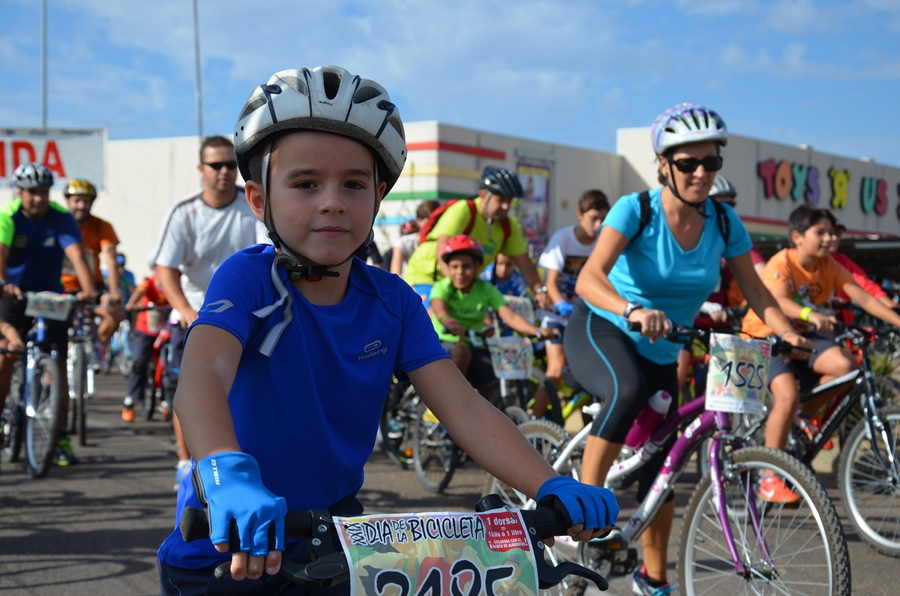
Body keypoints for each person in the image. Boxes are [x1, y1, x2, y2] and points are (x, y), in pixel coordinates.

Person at [156, 65, 618, 596]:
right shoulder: (249, 277)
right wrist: (224, 472)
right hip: (225, 548)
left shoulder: (394, 302)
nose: (332, 201)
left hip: (337, 544)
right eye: (305, 183)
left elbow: (465, 408)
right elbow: (203, 372)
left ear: (377, 198)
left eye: (354, 185)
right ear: (259, 200)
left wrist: (548, 483)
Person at [566, 103, 810, 596]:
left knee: (663, 468)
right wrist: (632, 309)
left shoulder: (723, 222)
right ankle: (581, 514)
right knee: (626, 390)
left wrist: (786, 329)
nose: (701, 173)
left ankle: (653, 579)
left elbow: (758, 292)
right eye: (687, 163)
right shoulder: (637, 210)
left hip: (665, 345)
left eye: (711, 162)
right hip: (603, 326)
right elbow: (589, 279)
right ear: (664, 166)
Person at [742, 204, 900, 502]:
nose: (829, 238)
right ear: (798, 237)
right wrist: (809, 313)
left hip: (805, 337)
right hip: (767, 335)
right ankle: (769, 478)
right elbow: (776, 300)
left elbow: (863, 296)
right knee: (786, 395)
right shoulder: (782, 262)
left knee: (846, 366)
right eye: (821, 232)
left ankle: (805, 414)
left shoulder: (830, 265)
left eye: (831, 232)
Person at [148, 135, 269, 490]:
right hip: (197, 315)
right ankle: (186, 463)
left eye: (230, 165)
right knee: (191, 384)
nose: (224, 172)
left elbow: (270, 254)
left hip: (250, 314)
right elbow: (165, 269)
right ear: (201, 169)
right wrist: (185, 309)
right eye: (215, 165)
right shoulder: (185, 213)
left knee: (252, 387)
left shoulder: (254, 205)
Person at [0, 163, 98, 466]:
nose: (38, 198)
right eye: (32, 193)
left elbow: (76, 255)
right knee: (8, 353)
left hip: (49, 298)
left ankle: (59, 437)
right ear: (20, 192)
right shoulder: (8, 216)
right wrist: (4, 284)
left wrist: (88, 289)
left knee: (56, 365)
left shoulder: (61, 217)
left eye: (43, 192)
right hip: (14, 294)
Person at [403, 166, 553, 312]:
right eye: (500, 199)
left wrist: (539, 291)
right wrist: (453, 286)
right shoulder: (465, 210)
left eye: (510, 200)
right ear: (483, 194)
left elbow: (524, 262)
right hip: (427, 275)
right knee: (432, 324)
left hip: (461, 282)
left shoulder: (508, 225)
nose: (506, 206)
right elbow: (442, 245)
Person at [430, 235, 555, 387]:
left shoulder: (486, 289)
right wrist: (449, 322)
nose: (460, 272)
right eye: (454, 267)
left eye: (466, 266)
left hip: (474, 344)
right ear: (448, 268)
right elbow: (439, 308)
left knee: (497, 381)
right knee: (461, 353)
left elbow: (510, 316)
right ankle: (440, 405)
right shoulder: (443, 286)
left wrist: (536, 330)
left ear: (477, 267)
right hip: (443, 342)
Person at [532, 190, 609, 418]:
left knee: (593, 372)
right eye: (593, 218)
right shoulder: (563, 238)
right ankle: (532, 426)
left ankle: (589, 429)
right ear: (579, 215)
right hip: (557, 315)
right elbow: (551, 283)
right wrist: (560, 305)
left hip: (585, 315)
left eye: (603, 218)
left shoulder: (604, 242)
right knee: (555, 369)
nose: (599, 224)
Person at [62, 179, 126, 345]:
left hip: (93, 286)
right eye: (77, 201)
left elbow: (110, 259)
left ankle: (96, 347)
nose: (81, 205)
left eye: (86, 201)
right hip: (63, 286)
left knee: (117, 312)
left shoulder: (101, 226)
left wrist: (114, 290)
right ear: (68, 201)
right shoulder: (58, 224)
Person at [825, 214, 896, 315]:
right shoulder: (797, 261)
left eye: (838, 233)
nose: (835, 238)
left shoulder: (841, 261)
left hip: (839, 323)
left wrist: (889, 304)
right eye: (830, 233)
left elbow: (865, 285)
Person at [121, 274, 169, 421]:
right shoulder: (149, 282)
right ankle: (130, 401)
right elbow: (134, 299)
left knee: (168, 365)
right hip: (146, 329)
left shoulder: (177, 278)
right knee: (139, 362)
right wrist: (133, 305)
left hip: (165, 330)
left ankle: (167, 400)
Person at [390, 200, 440, 276]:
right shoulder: (403, 243)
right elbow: (396, 273)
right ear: (419, 221)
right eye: (430, 221)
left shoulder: (443, 242)